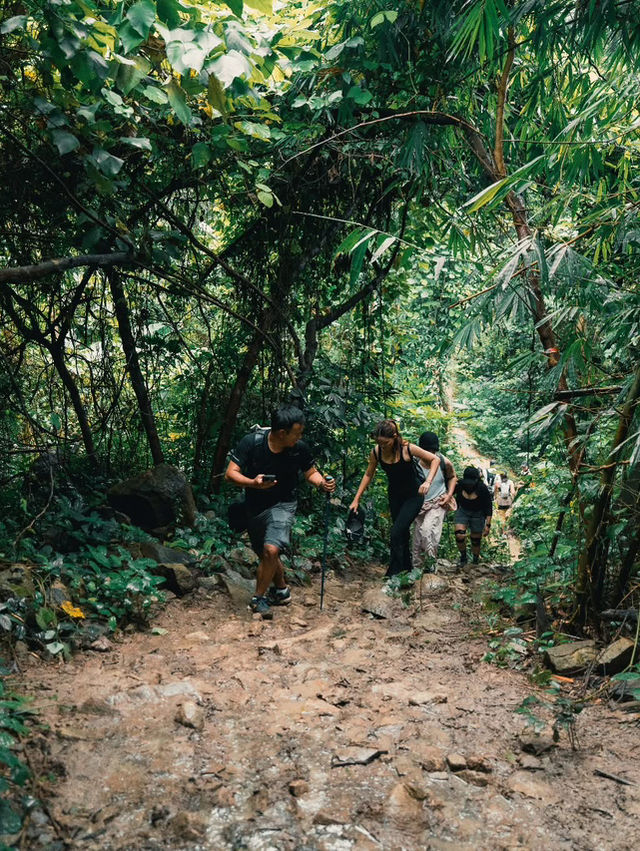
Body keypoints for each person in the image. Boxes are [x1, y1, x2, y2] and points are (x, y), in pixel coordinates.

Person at [225, 405, 336, 619]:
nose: (300, 436)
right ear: (282, 432)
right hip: (255, 506)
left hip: (284, 505)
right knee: (265, 553)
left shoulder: (299, 448)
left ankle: (258, 599)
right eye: (297, 432)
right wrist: (253, 483)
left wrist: (322, 484)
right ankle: (282, 590)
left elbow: (310, 472)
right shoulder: (253, 443)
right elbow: (230, 474)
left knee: (271, 550)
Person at [349, 419, 441, 579]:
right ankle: (407, 569)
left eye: (385, 443)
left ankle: (394, 573)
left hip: (414, 495)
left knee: (396, 532)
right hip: (395, 495)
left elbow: (435, 460)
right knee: (402, 532)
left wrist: (428, 481)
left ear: (395, 437)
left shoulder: (407, 449)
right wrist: (356, 499)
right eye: (379, 443)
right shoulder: (376, 452)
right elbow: (368, 474)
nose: (382, 446)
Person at [411, 431, 458, 571]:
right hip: (420, 505)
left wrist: (449, 495)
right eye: (426, 451)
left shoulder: (444, 462)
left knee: (427, 531)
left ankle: (431, 566)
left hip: (438, 502)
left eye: (432, 451)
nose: (430, 454)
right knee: (417, 540)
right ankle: (416, 570)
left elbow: (453, 477)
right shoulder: (414, 463)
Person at [453, 466, 493, 566]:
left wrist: (487, 525)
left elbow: (488, 507)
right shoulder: (460, 485)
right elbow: (449, 492)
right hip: (463, 511)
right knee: (459, 534)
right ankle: (463, 557)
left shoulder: (482, 488)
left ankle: (475, 561)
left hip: (478, 514)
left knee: (475, 540)